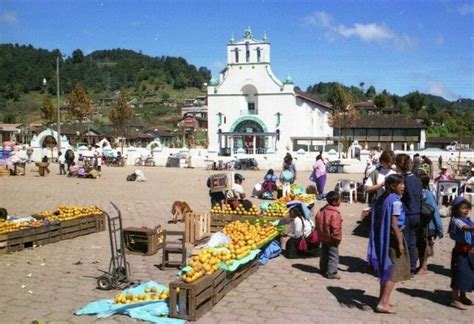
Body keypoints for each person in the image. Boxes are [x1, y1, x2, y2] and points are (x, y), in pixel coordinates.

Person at [367, 174, 412, 314]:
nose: (404, 186)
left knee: (385, 270)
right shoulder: (396, 202)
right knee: (394, 272)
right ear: (393, 186)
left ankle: (383, 299)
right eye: (401, 184)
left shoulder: (383, 198)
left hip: (384, 238)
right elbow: (394, 224)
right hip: (394, 238)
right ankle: (383, 303)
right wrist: (400, 243)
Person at [396, 153, 422, 275]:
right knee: (414, 241)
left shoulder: (403, 181)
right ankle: (412, 265)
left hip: (408, 213)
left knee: (408, 241)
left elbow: (401, 197)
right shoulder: (416, 179)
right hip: (417, 212)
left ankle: (409, 266)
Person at [448, 197, 473, 310]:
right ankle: (455, 299)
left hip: (469, 253)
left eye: (467, 208)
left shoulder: (468, 219)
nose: (465, 210)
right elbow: (466, 228)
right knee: (459, 275)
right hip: (460, 253)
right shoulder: (456, 220)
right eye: (463, 208)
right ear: (456, 209)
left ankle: (463, 296)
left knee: (467, 275)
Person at [416, 173, 444, 274]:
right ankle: (421, 266)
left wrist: (439, 228)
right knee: (420, 244)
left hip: (428, 225)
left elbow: (434, 211)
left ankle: (423, 267)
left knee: (425, 245)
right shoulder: (420, 192)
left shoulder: (427, 193)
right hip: (422, 224)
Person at [315, 191, 342, 279]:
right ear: (334, 202)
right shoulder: (335, 214)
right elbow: (336, 228)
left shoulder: (321, 210)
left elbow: (317, 221)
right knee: (333, 256)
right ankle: (332, 272)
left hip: (323, 237)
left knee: (324, 253)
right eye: (339, 199)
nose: (340, 201)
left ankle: (323, 269)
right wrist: (337, 238)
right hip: (332, 238)